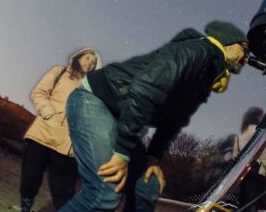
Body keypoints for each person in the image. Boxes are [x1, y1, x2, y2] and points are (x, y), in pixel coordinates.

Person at [58, 21, 249, 212]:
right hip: (97, 100)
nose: (246, 58)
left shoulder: (209, 73)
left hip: (122, 115)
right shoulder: (197, 51)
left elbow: (175, 120)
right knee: (104, 191)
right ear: (228, 41)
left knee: (147, 187)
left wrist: (153, 158)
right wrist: (122, 151)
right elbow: (146, 89)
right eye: (244, 49)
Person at [21, 48, 102, 212]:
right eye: (87, 58)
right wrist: (50, 114)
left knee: (63, 190)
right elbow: (39, 93)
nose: (89, 63)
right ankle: (25, 207)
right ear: (78, 57)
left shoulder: (91, 88)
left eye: (93, 63)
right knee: (30, 177)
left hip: (68, 144)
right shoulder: (59, 72)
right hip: (42, 133)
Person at [233, 107, 266, 212]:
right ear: (257, 117)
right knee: (253, 200)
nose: (263, 118)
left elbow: (235, 155)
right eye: (261, 116)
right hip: (256, 170)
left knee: (243, 201)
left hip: (242, 171)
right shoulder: (258, 130)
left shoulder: (240, 133)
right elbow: (263, 150)